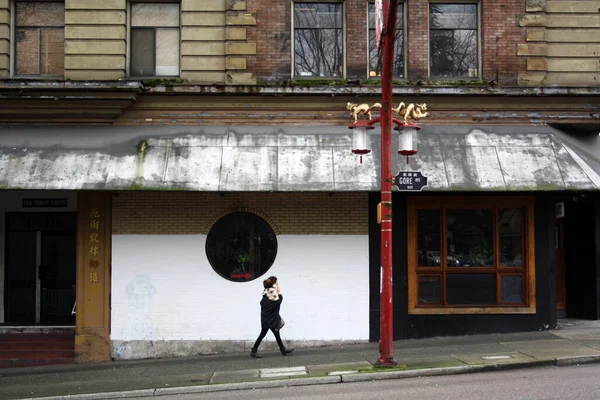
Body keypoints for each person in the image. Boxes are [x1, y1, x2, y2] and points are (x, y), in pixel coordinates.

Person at [250, 276, 293, 358]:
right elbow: (277, 303)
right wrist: (280, 294)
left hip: (266, 316)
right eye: (277, 282)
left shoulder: (266, 290)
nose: (278, 283)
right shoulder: (272, 291)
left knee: (275, 334)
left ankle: (283, 349)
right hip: (270, 317)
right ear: (274, 283)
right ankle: (254, 351)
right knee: (263, 334)